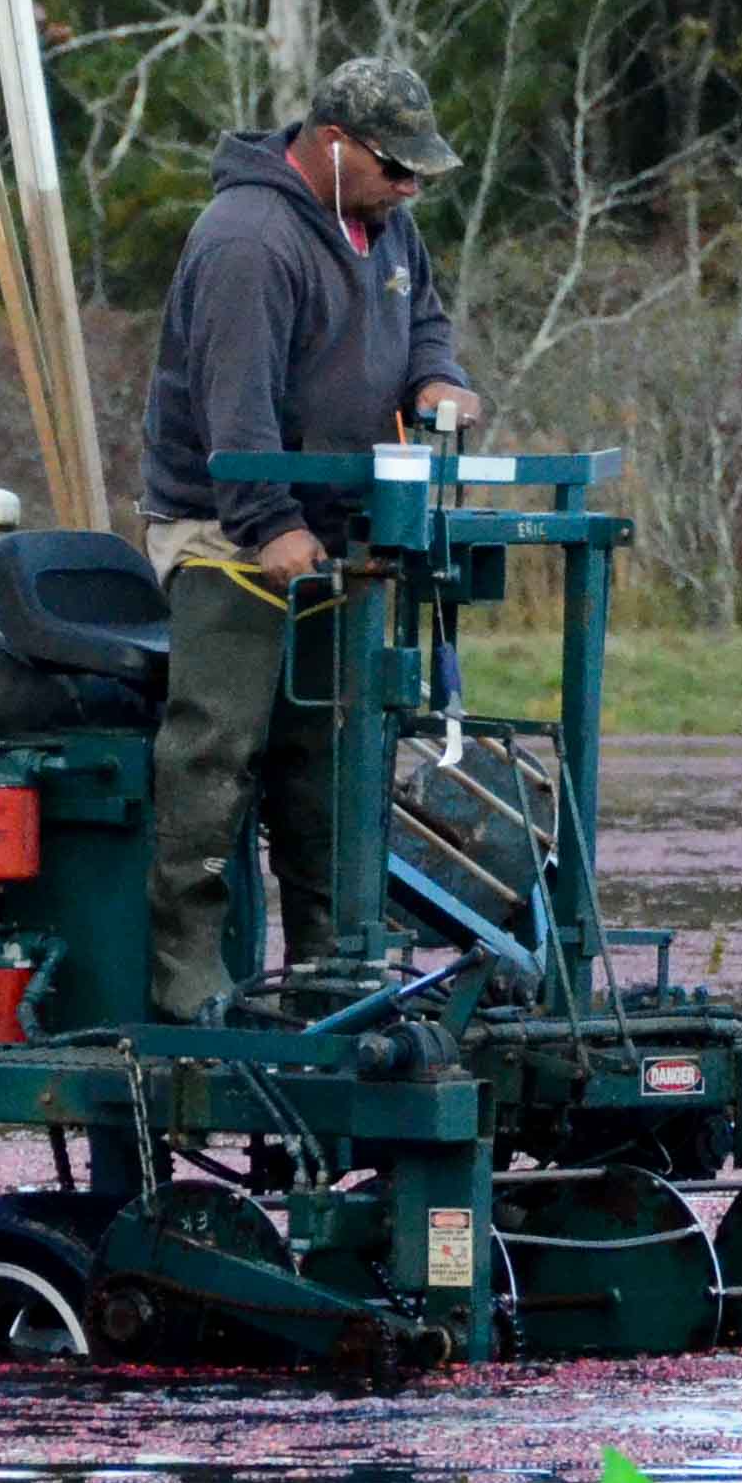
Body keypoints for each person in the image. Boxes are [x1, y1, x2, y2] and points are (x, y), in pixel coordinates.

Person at [137, 55, 486, 1020]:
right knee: (217, 748)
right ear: (332, 143)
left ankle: (333, 964)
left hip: (336, 543)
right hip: (229, 537)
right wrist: (272, 524)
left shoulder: (388, 226)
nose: (411, 185)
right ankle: (187, 974)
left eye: (420, 170)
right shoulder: (247, 241)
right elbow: (233, 410)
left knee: (329, 759)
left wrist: (436, 380)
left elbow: (424, 326)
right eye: (396, 166)